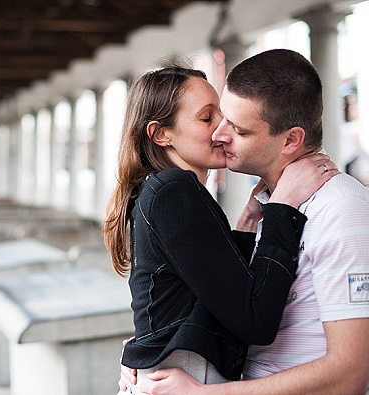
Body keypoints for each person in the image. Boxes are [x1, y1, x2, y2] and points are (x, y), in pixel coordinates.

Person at [126, 49, 369, 394]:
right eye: (212, 120)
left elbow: (349, 376)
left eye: (235, 127)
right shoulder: (267, 207)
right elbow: (217, 298)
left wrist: (201, 392)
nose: (220, 135)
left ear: (291, 140)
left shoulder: (344, 211)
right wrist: (145, 349)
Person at [103, 64, 336, 392]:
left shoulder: (161, 190)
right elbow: (255, 320)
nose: (222, 129)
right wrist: (284, 204)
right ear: (160, 134)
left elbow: (200, 291)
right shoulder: (174, 190)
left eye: (224, 116)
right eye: (206, 117)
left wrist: (247, 228)